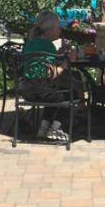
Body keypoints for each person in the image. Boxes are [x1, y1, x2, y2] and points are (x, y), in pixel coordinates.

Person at [23, 10, 84, 141]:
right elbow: (53, 74)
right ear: (49, 30)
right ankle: (56, 129)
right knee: (70, 93)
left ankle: (43, 128)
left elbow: (41, 61)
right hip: (41, 91)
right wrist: (67, 62)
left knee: (53, 92)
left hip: (27, 89)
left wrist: (57, 54)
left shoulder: (31, 42)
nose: (60, 31)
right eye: (58, 28)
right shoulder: (48, 45)